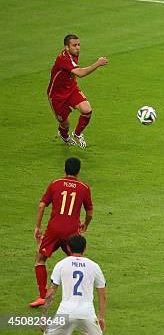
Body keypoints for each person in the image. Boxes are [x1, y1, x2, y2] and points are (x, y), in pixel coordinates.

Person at [30, 158, 93, 308]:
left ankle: (41, 296)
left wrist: (38, 227)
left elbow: (41, 206)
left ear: (64, 169)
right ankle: (81, 295)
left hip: (54, 229)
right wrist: (85, 224)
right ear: (78, 171)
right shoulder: (84, 188)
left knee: (40, 259)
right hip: (72, 231)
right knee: (78, 262)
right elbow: (89, 212)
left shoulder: (55, 184)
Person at [47, 34, 108, 148]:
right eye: (74, 45)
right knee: (65, 123)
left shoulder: (73, 54)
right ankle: (64, 135)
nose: (78, 47)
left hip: (72, 89)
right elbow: (80, 73)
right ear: (66, 47)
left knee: (87, 110)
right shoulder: (63, 59)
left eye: (79, 44)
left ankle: (77, 133)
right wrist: (98, 63)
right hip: (57, 96)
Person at [41, 234, 106, 334]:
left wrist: (44, 316)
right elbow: (102, 296)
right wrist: (101, 317)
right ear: (85, 248)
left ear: (68, 248)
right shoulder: (94, 266)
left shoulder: (61, 264)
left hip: (66, 311)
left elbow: (51, 292)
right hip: (87, 313)